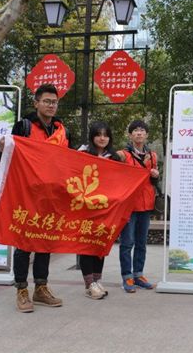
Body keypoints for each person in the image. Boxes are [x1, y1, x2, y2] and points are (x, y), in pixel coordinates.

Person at [0, 83, 72, 313]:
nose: (51, 105)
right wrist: (1, 149)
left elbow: (67, 161)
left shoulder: (62, 130)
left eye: (54, 102)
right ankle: (21, 290)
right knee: (24, 243)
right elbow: (8, 158)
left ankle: (41, 288)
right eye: (47, 101)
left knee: (45, 241)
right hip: (26, 194)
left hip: (51, 196)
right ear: (36, 103)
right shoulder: (24, 126)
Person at [77, 121, 121, 299]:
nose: (102, 138)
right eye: (98, 134)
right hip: (86, 208)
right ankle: (89, 285)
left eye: (105, 135)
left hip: (105, 209)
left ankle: (97, 280)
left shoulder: (115, 157)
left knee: (100, 244)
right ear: (92, 136)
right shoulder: (82, 154)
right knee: (86, 244)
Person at [117, 119, 159, 292]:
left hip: (146, 204)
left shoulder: (153, 156)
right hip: (129, 205)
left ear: (146, 134)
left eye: (142, 130)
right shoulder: (122, 155)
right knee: (127, 243)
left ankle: (138, 275)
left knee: (141, 243)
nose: (139, 133)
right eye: (135, 130)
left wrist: (156, 175)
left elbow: (153, 182)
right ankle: (127, 277)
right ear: (130, 135)